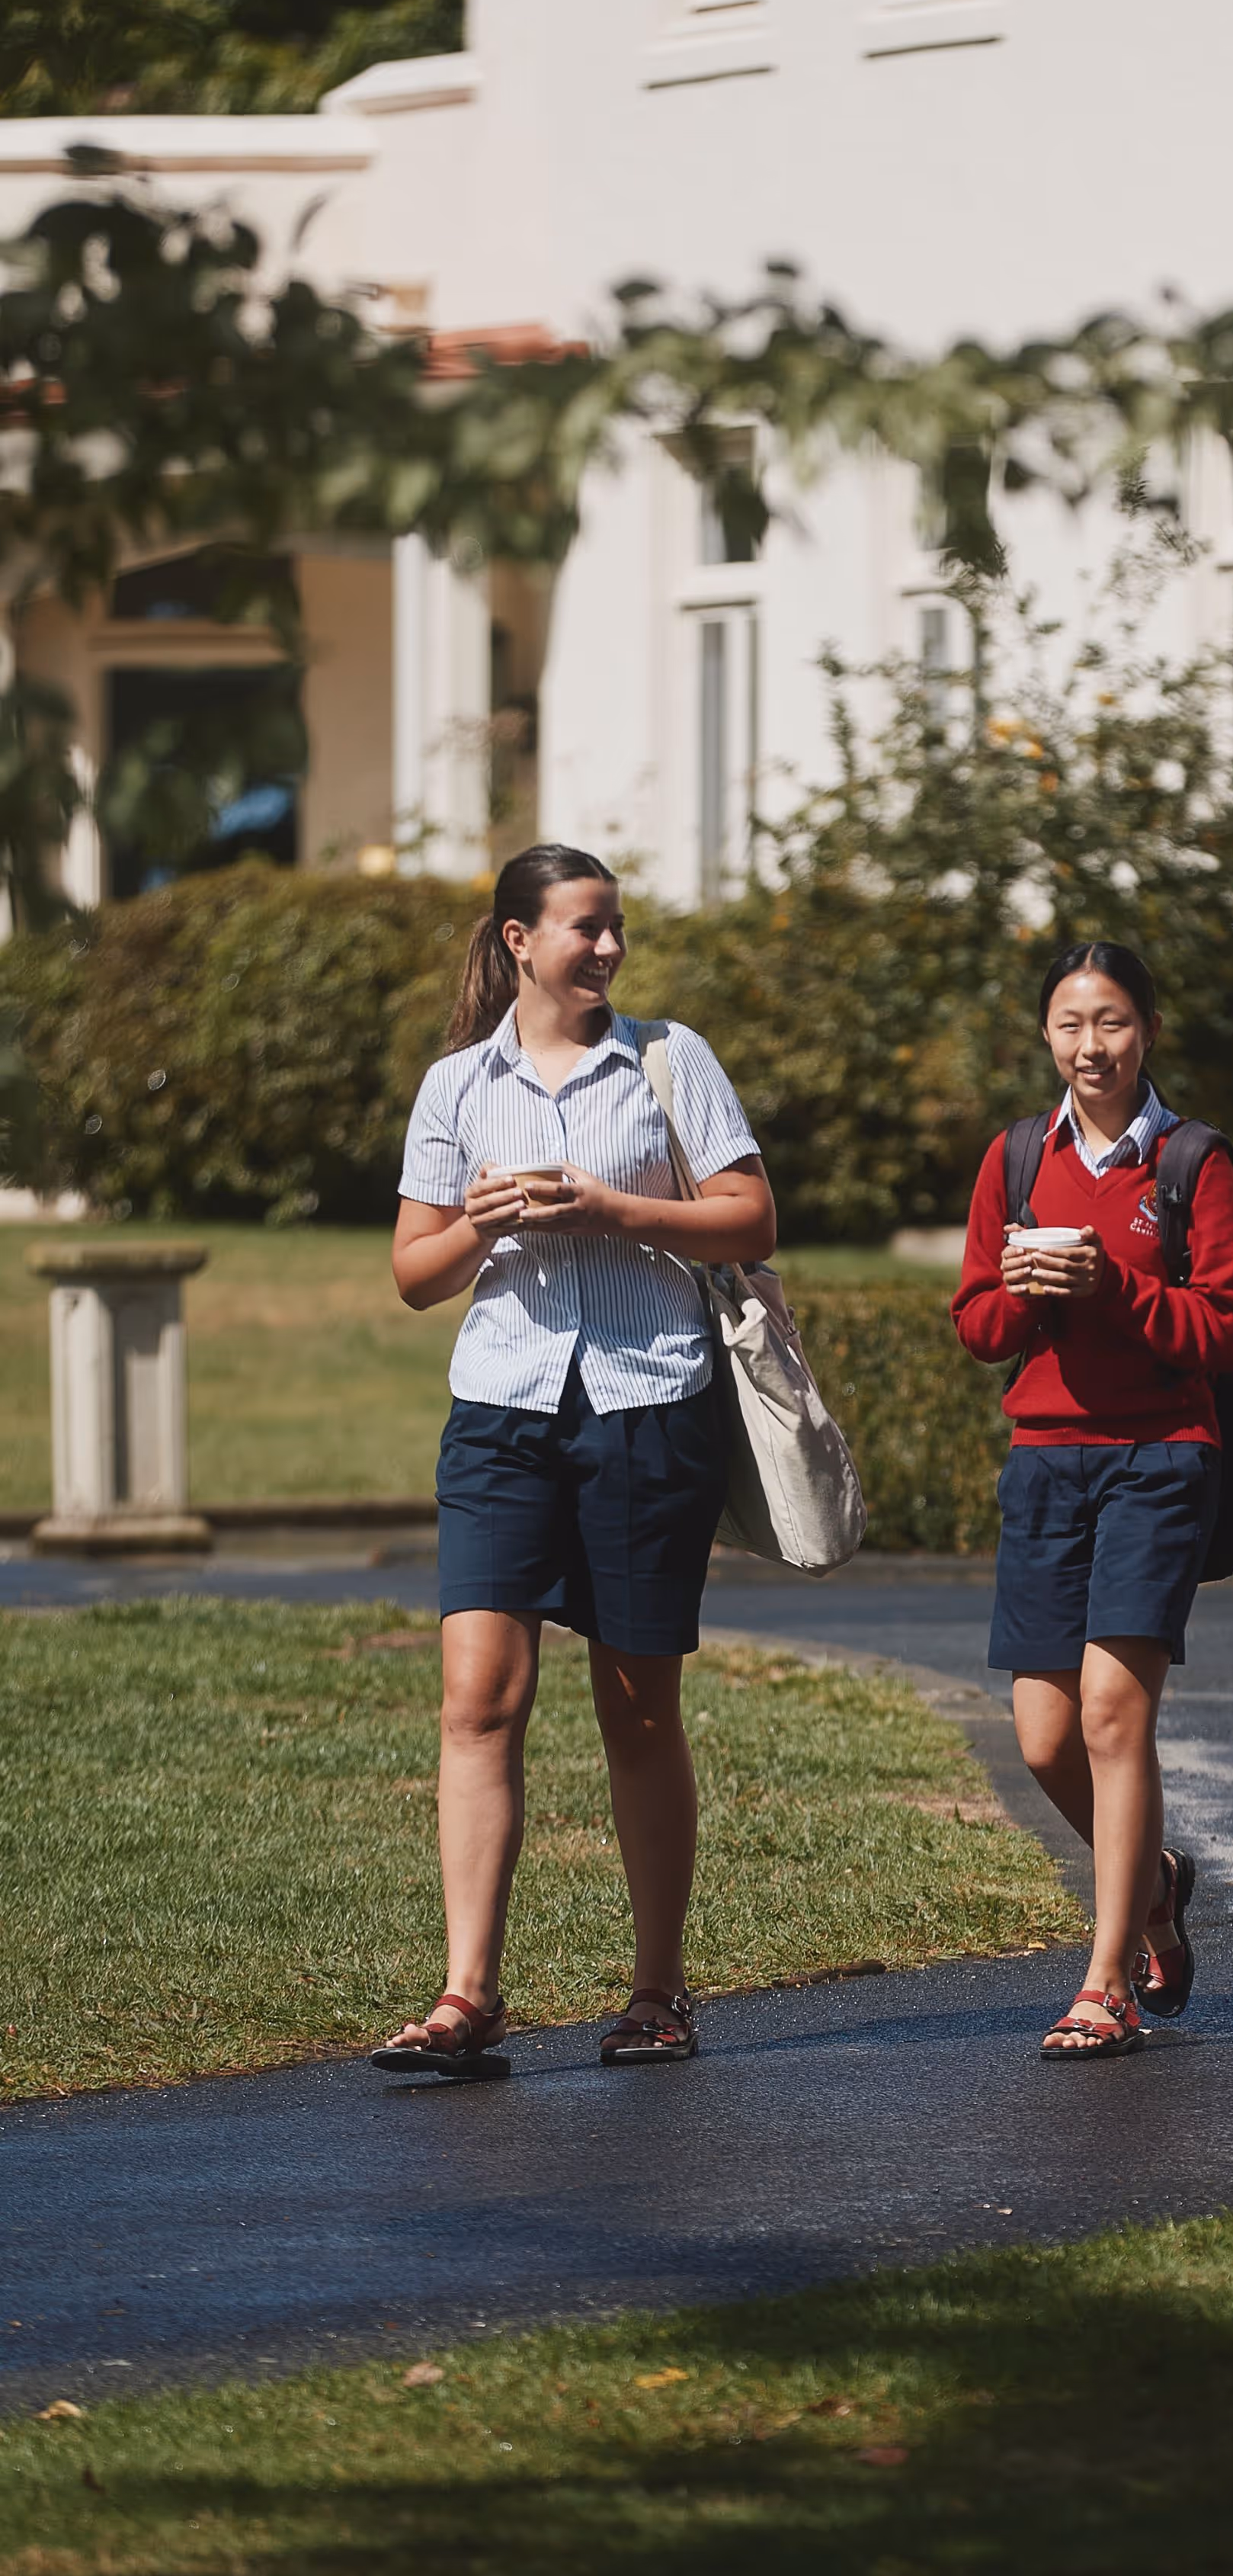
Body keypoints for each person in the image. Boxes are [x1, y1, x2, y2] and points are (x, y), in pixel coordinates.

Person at [371, 843, 774, 2081]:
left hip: (649, 1410)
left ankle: (657, 1993)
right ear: (517, 941)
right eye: (584, 929)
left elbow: (750, 1219)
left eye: (614, 928)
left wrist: (609, 1210)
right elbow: (412, 1274)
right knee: (476, 1702)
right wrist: (481, 1227)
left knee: (638, 1709)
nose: (606, 949)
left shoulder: (668, 1060)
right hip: (501, 1415)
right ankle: (466, 1995)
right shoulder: (457, 1086)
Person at [952, 942, 1233, 2059]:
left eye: (1114, 1021)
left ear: (1148, 1033)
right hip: (1044, 1461)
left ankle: (1105, 1978)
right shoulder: (1017, 1157)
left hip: (1158, 1458)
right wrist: (1030, 1297)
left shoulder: (1191, 1163)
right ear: (1046, 1037)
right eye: (1072, 1023)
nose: (1093, 1045)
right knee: (1042, 1738)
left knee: (1114, 1715)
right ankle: (1158, 1884)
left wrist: (1116, 1289)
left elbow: (1222, 1333)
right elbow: (977, 1326)